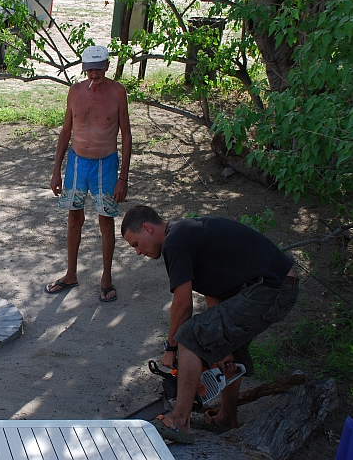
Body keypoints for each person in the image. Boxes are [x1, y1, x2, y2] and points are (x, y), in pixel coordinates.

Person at [120, 205, 299, 443]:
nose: (138, 252)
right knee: (215, 340)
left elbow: (182, 305)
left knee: (190, 337)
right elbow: (215, 293)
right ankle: (227, 419)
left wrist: (171, 347)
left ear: (147, 228)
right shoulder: (184, 234)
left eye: (135, 244)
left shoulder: (175, 243)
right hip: (274, 285)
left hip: (271, 288)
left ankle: (179, 421)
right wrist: (219, 347)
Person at [46, 45, 132, 302]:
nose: (94, 74)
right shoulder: (75, 91)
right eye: (89, 69)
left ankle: (106, 277)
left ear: (106, 66)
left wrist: (123, 177)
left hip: (105, 164)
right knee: (74, 219)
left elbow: (126, 134)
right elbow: (65, 132)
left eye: (98, 69)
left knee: (106, 220)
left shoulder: (117, 92)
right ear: (84, 69)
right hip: (76, 164)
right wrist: (56, 171)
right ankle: (70, 273)